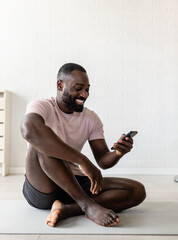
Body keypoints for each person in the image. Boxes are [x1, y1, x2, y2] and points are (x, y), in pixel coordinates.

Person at [20, 63, 146, 227]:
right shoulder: (42, 106)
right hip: (43, 187)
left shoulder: (91, 118)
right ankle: (87, 205)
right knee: (41, 143)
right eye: (78, 88)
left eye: (87, 89)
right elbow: (29, 130)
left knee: (136, 190)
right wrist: (82, 160)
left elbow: (102, 160)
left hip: (73, 184)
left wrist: (117, 153)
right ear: (60, 85)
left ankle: (68, 209)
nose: (84, 94)